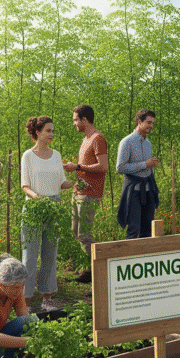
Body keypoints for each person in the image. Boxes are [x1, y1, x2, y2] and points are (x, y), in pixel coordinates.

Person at [21, 116, 74, 312]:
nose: (51, 134)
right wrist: (38, 198)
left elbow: (62, 183)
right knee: (30, 255)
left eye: (53, 131)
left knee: (50, 253)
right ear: (37, 132)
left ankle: (47, 299)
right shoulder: (28, 155)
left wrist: (76, 183)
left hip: (54, 205)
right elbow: (25, 186)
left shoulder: (57, 155)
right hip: (34, 207)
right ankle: (25, 301)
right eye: (48, 131)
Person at [63, 104, 107, 284]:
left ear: (85, 120)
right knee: (76, 231)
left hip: (90, 193)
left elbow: (103, 166)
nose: (74, 123)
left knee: (84, 234)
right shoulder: (85, 139)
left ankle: (100, 274)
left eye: (75, 120)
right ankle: (90, 269)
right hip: (79, 191)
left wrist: (78, 167)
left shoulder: (98, 138)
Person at [116, 109, 159, 239]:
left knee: (148, 230)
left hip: (148, 190)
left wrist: (150, 165)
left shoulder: (148, 143)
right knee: (133, 230)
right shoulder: (126, 142)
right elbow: (120, 167)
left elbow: (147, 167)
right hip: (133, 191)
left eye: (152, 123)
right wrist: (145, 164)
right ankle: (129, 259)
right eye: (148, 122)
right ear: (139, 122)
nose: (151, 126)